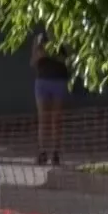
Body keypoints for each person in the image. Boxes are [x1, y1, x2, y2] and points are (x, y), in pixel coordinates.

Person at [31, 33, 71, 165]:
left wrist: (53, 53)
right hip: (42, 80)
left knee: (56, 119)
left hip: (59, 80)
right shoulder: (40, 38)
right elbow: (34, 60)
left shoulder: (65, 35)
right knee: (43, 118)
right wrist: (42, 53)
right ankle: (42, 152)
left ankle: (55, 153)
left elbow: (69, 59)